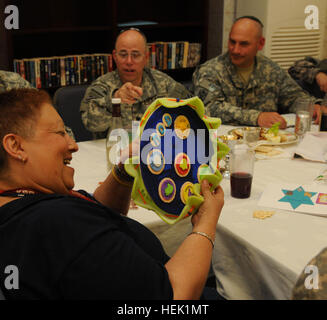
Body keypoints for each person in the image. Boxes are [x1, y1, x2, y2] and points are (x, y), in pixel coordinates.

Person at [0, 88, 224, 300]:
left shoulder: (19, 202)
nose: (73, 144)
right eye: (60, 133)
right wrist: (206, 223)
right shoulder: (61, 225)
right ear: (16, 146)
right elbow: (174, 295)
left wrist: (125, 171)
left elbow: (97, 215)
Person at [192, 16, 321, 129]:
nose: (235, 50)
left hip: (266, 143)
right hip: (224, 143)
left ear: (260, 44)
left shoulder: (271, 70)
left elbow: (293, 97)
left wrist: (312, 107)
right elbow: (210, 108)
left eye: (243, 44)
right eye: (232, 42)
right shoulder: (209, 71)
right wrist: (257, 117)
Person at [80, 28, 192, 139]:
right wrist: (114, 100)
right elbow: (90, 123)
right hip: (115, 151)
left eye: (136, 55)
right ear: (115, 57)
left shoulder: (163, 83)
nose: (129, 61)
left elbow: (193, 112)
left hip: (154, 150)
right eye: (123, 55)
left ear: (146, 57)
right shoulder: (101, 87)